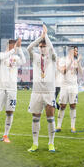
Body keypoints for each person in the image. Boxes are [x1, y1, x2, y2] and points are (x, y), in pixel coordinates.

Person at [0, 37, 26, 144]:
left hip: (12, 88)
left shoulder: (15, 57)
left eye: (14, 44)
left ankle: (6, 135)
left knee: (10, 112)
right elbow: (5, 55)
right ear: (8, 45)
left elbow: (24, 61)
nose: (13, 46)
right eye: (11, 44)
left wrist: (19, 49)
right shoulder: (0, 55)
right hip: (0, 87)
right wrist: (13, 49)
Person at [26, 25, 57, 153]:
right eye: (41, 46)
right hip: (36, 91)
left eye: (44, 46)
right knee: (35, 117)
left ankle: (51, 143)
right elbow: (28, 48)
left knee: (50, 118)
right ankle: (35, 143)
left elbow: (52, 49)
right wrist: (40, 38)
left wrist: (46, 36)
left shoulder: (53, 58)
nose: (43, 48)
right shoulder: (36, 57)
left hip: (49, 91)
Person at [55, 46, 82, 133]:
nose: (77, 53)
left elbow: (81, 74)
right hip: (64, 86)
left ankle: (73, 127)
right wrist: (72, 62)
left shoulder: (76, 61)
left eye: (77, 51)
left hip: (73, 86)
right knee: (62, 106)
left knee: (73, 105)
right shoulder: (63, 60)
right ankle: (58, 126)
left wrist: (79, 63)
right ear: (71, 51)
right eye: (75, 51)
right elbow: (63, 71)